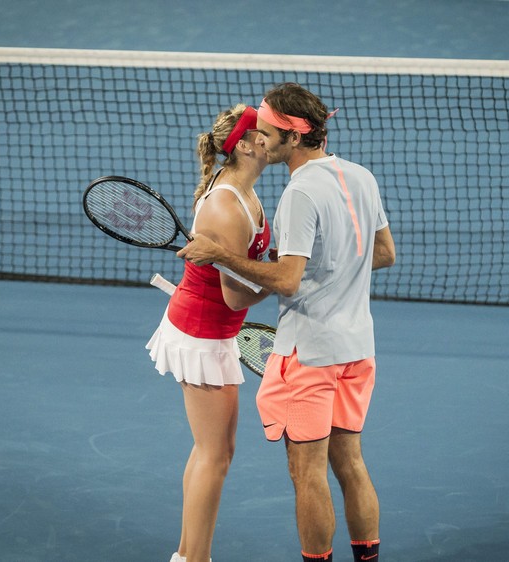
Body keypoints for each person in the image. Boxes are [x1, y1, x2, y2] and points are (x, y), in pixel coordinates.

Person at [177, 83, 396, 562]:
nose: (260, 136)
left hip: (311, 354)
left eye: (269, 130)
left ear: (293, 138)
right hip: (359, 350)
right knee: (352, 465)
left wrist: (217, 254)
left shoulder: (298, 194)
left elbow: (289, 280)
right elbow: (383, 253)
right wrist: (328, 269)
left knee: (308, 473)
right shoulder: (361, 176)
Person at [146, 103, 271, 562]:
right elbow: (238, 296)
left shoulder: (245, 193)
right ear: (245, 144)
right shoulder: (225, 208)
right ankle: (192, 559)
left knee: (213, 450)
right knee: (215, 455)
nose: (273, 134)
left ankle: (187, 554)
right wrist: (287, 283)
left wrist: (274, 273)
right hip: (201, 335)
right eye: (264, 130)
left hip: (211, 329)